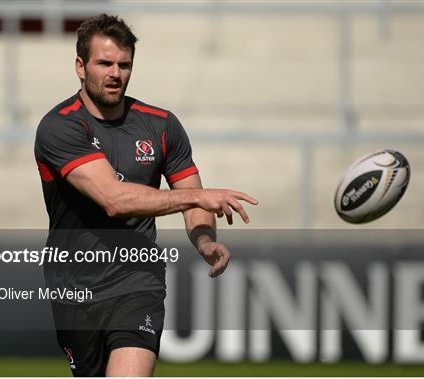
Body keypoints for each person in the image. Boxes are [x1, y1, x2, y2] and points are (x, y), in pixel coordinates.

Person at [34, 13, 257, 377]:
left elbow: (191, 193)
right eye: (104, 63)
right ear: (80, 66)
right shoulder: (60, 126)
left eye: (124, 65)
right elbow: (114, 199)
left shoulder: (161, 124)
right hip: (73, 287)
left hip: (137, 281)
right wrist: (198, 199)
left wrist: (203, 239)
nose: (115, 73)